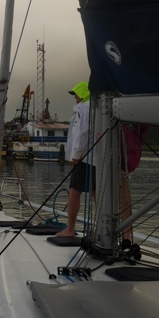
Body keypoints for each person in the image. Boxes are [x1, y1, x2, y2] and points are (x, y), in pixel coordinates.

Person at [56, 81, 93, 237]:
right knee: (97, 192)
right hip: (95, 157)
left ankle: (70, 229)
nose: (75, 97)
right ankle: (102, 229)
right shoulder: (94, 107)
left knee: (74, 191)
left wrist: (76, 155)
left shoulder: (83, 108)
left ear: (82, 94)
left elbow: (82, 133)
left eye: (76, 94)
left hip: (84, 157)